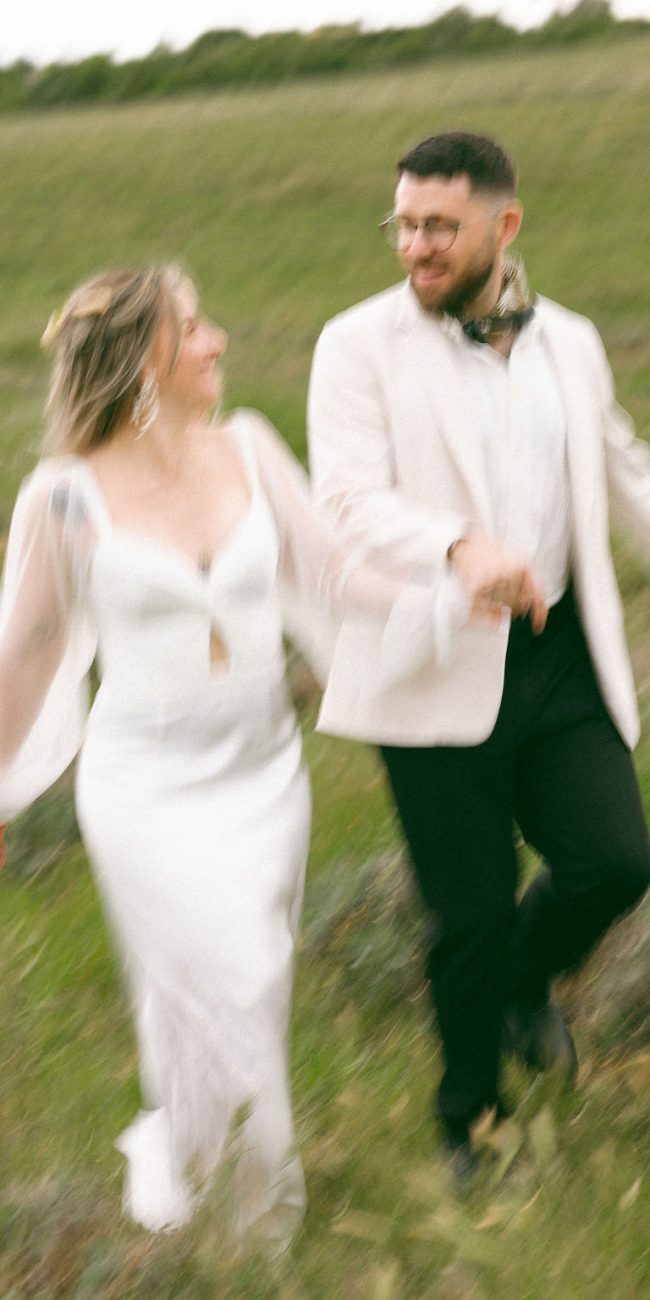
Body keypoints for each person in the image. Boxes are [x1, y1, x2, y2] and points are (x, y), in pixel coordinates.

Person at [0, 264, 469, 1243]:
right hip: (143, 784)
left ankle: (199, 1168)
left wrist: (450, 598)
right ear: (145, 358)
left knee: (249, 987)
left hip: (262, 772)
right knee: (219, 975)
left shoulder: (248, 448)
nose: (218, 340)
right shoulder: (64, 500)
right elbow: (31, 652)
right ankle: (250, 1223)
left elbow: (334, 573)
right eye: (195, 326)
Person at [307, 131, 650, 1187]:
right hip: (433, 659)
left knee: (615, 861)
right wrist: (459, 547)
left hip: (556, 655)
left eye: (438, 227)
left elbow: (621, 468)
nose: (415, 245)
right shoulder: (355, 345)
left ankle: (521, 981)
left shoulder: (572, 342)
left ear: (504, 225)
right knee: (468, 910)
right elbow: (344, 501)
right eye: (403, 224)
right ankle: (471, 1121)